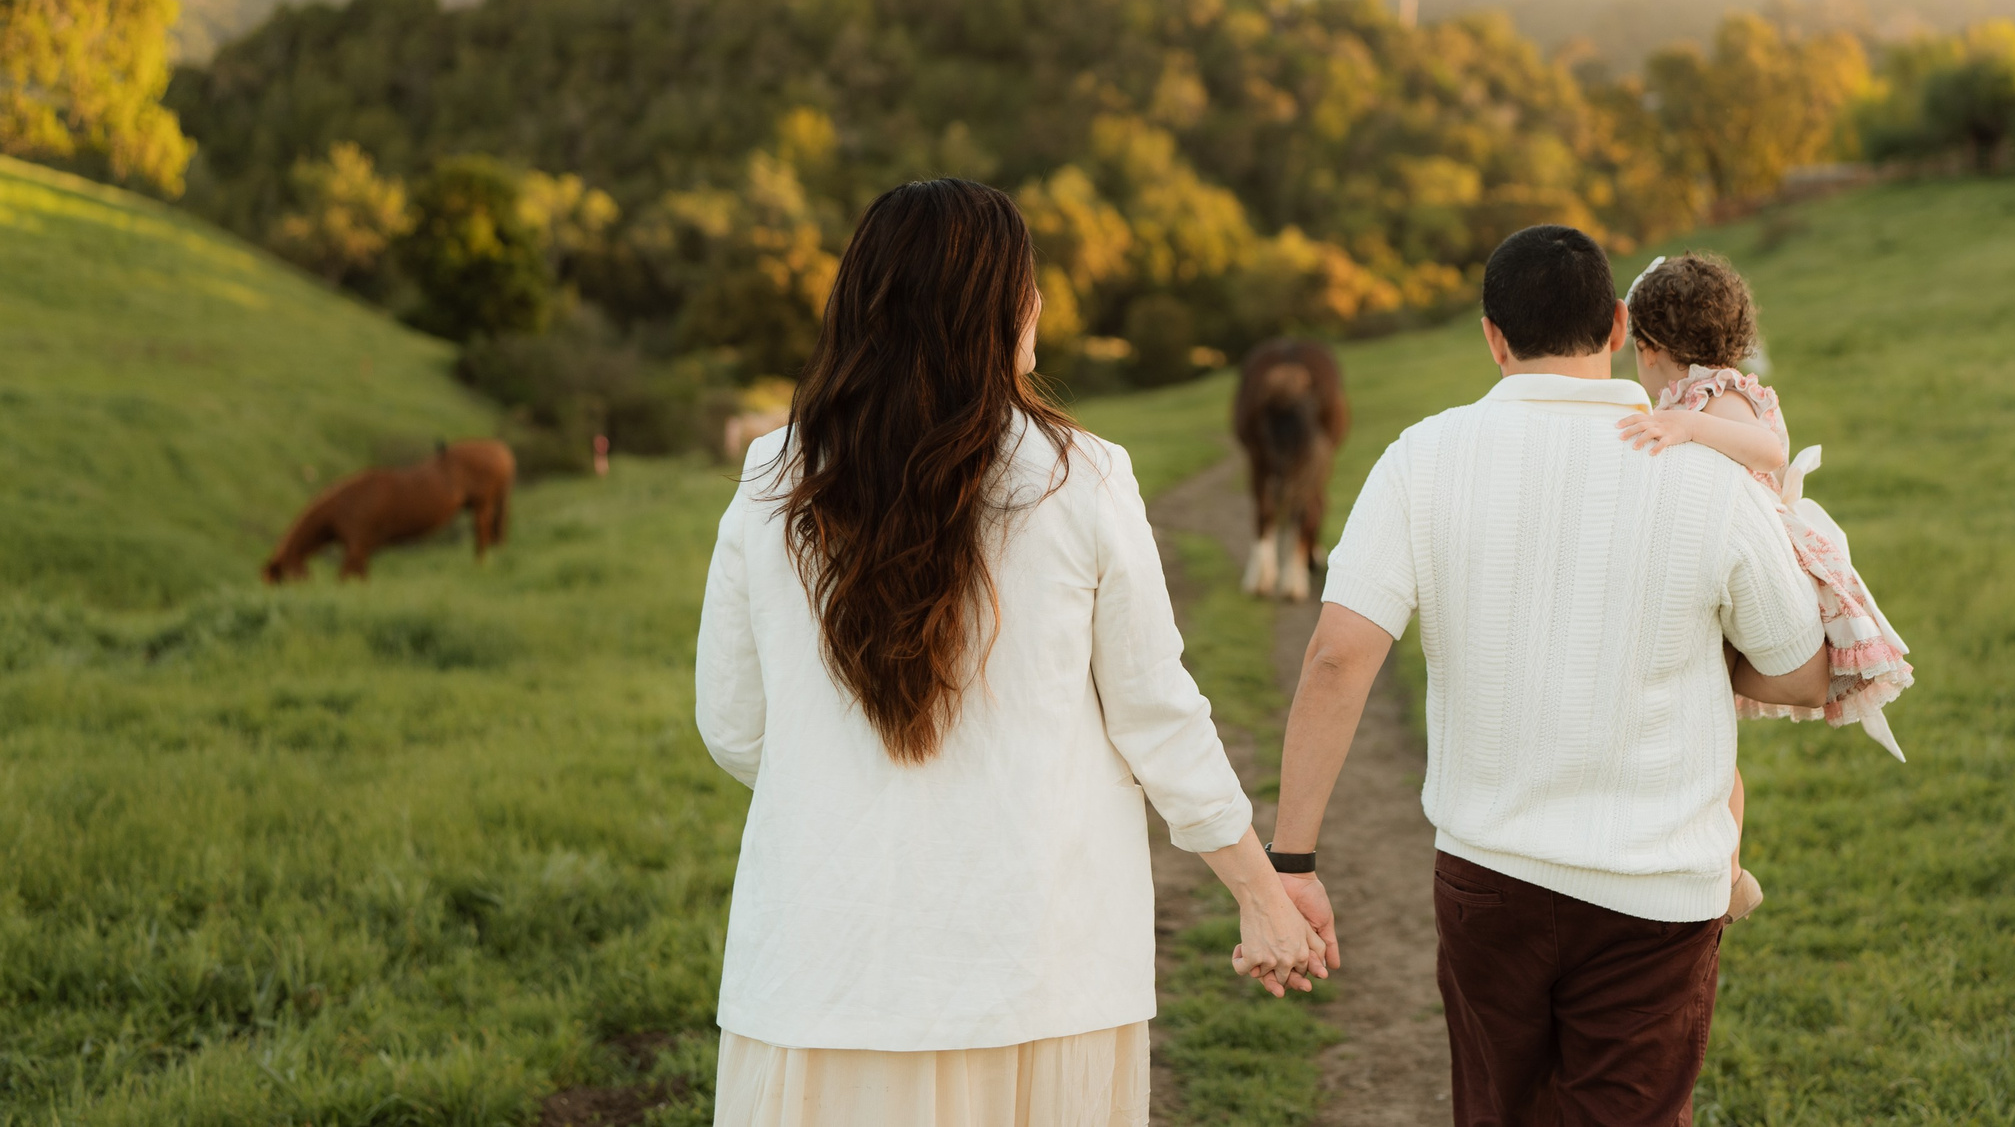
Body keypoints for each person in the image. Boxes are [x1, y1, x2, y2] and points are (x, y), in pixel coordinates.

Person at [694, 178, 1324, 1127]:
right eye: (1027, 287)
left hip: (822, 972)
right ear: (999, 310)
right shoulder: (1083, 475)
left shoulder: (772, 477)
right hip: (1039, 970)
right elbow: (1157, 715)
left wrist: (854, 793)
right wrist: (1262, 890)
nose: (1039, 307)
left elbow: (734, 727)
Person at [1269, 223, 1830, 1127]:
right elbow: (1806, 678)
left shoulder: (1422, 455)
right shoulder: (1707, 468)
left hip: (1490, 872)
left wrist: (1291, 861)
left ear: (1493, 337)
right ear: (1615, 325)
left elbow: (1337, 658)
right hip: (1656, 888)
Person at [1612, 251, 1916, 922]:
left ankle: (1726, 866)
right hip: (1721, 563)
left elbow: (1771, 453)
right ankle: (1721, 868)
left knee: (1710, 731)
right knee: (1706, 720)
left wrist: (1687, 425)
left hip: (1762, 562)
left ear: (1652, 346)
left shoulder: (1721, 395)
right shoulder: (1692, 397)